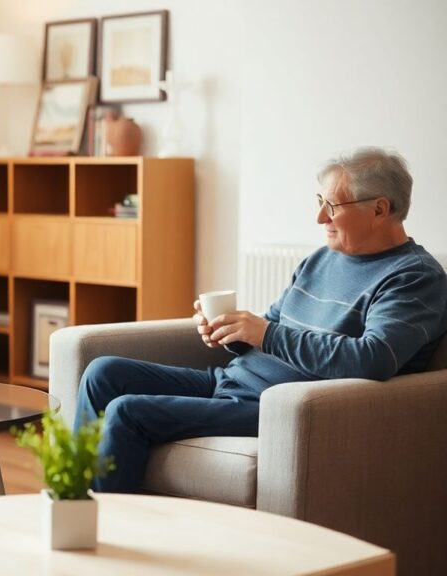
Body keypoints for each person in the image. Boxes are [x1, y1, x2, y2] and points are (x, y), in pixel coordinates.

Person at [76, 147, 447, 492]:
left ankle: (101, 539)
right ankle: (70, 503)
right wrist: (230, 330)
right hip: (229, 382)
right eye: (321, 202)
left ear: (380, 209)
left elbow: (373, 357)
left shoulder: (414, 277)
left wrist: (266, 334)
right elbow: (271, 326)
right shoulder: (320, 259)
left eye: (332, 206)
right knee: (103, 373)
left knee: (128, 410)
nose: (320, 217)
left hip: (274, 407)